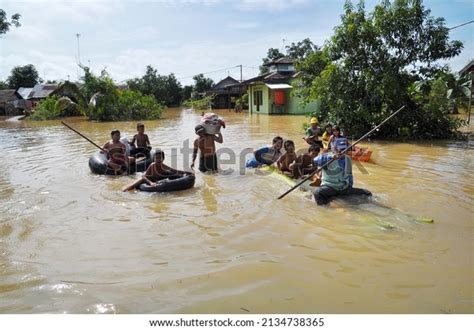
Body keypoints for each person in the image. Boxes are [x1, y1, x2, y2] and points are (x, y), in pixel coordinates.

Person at [122, 149, 191, 191]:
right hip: (145, 178)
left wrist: (185, 172)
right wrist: (151, 183)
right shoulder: (152, 165)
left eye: (160, 158)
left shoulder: (163, 165)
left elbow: (174, 170)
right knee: (128, 188)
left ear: (163, 158)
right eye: (156, 158)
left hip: (155, 178)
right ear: (154, 159)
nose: (158, 159)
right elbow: (144, 177)